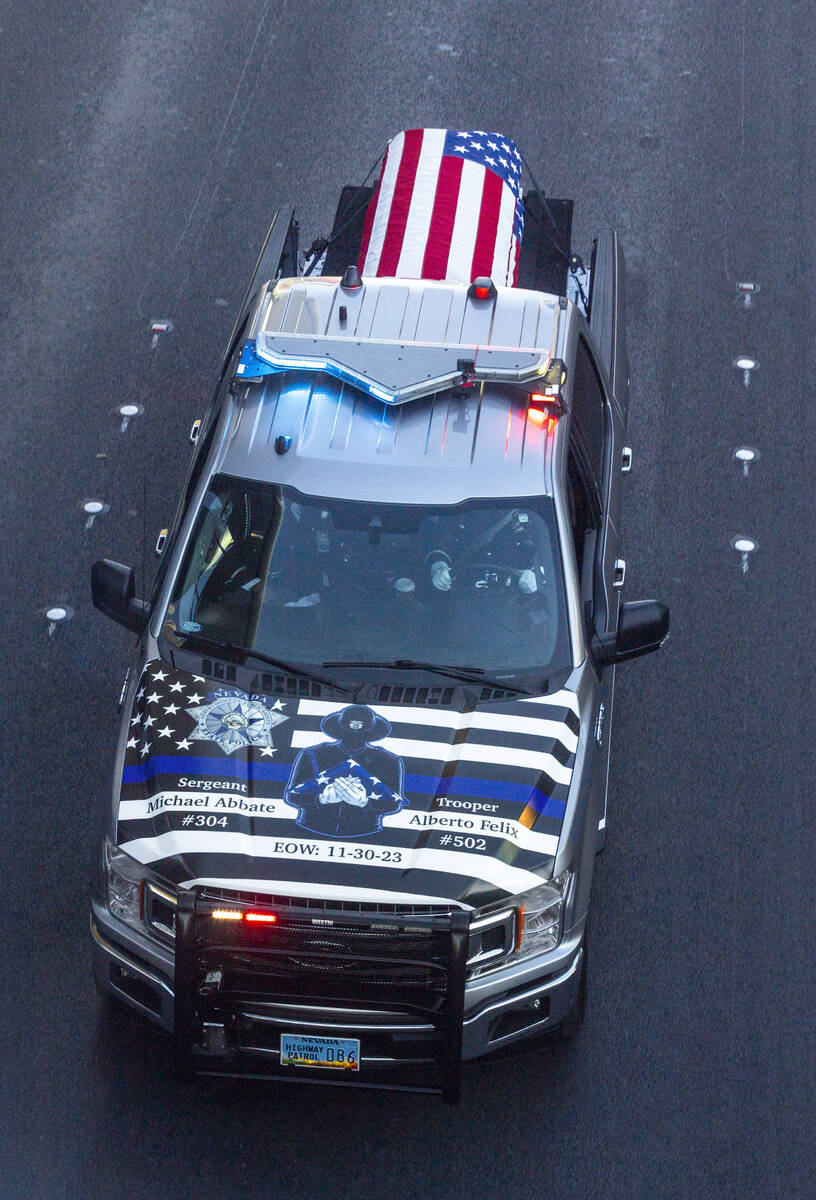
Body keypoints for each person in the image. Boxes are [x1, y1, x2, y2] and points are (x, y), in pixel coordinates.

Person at [284, 704, 407, 837]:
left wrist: (365, 802)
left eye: (360, 724)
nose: (355, 728)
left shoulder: (389, 761)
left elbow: (394, 804)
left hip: (365, 831)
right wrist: (321, 799)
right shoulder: (312, 754)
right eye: (352, 723)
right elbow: (291, 796)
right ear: (340, 726)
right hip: (311, 827)